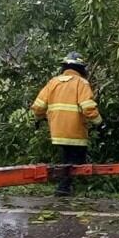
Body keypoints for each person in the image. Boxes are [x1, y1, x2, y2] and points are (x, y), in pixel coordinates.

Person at [31, 52, 103, 197]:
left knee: (68, 158)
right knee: (75, 160)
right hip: (75, 130)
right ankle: (63, 187)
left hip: (57, 131)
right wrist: (99, 123)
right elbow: (88, 107)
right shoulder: (81, 83)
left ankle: (69, 185)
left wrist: (39, 118)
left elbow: (38, 106)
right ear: (81, 68)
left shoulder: (53, 82)